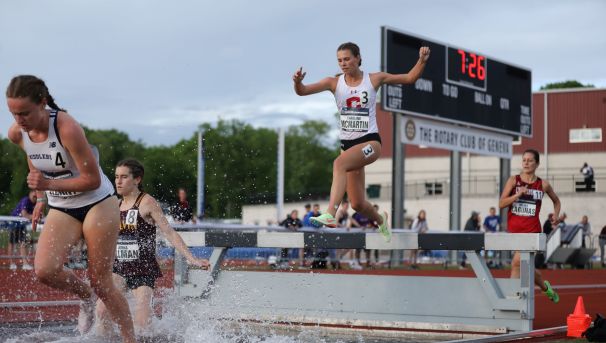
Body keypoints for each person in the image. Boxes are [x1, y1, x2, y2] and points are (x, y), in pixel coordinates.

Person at [5, 75, 136, 341]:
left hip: (97, 202)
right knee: (45, 270)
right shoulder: (17, 133)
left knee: (102, 281)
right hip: (62, 206)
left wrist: (48, 182)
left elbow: (92, 180)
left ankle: (130, 338)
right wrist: (41, 198)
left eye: (25, 113)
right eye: (13, 113)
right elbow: (36, 161)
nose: (19, 120)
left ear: (42, 103)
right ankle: (85, 295)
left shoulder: (66, 127)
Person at [293, 42, 431, 242]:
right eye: (340, 60)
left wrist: (422, 61)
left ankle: (330, 213)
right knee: (357, 203)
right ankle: (381, 220)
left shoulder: (374, 79)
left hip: (370, 144)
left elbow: (410, 78)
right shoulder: (334, 83)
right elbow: (303, 91)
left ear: (358, 58)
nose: (343, 63)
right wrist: (297, 82)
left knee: (338, 164)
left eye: (347, 59)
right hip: (348, 147)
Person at [96, 159, 209, 336]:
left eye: (124, 177)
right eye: (116, 177)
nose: (118, 181)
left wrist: (191, 258)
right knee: (102, 312)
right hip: (118, 268)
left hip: (142, 269)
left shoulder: (147, 202)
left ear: (137, 179)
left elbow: (170, 233)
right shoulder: (115, 204)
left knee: (141, 323)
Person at [499, 149, 561, 303]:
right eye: (524, 160)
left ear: (537, 163)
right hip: (515, 232)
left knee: (516, 262)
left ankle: (512, 299)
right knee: (526, 267)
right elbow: (501, 203)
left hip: (532, 232)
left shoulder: (543, 184)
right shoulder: (514, 180)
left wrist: (556, 215)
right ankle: (545, 287)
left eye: (530, 160)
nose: (526, 163)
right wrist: (517, 195)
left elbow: (556, 201)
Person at [8, 190, 36, 270]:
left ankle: (25, 263)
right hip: (14, 223)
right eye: (34, 196)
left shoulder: (35, 203)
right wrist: (34, 217)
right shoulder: (26, 200)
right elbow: (24, 214)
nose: (35, 198)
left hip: (22, 224)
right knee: (12, 243)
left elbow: (38, 214)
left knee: (23, 242)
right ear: (30, 193)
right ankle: (11, 263)